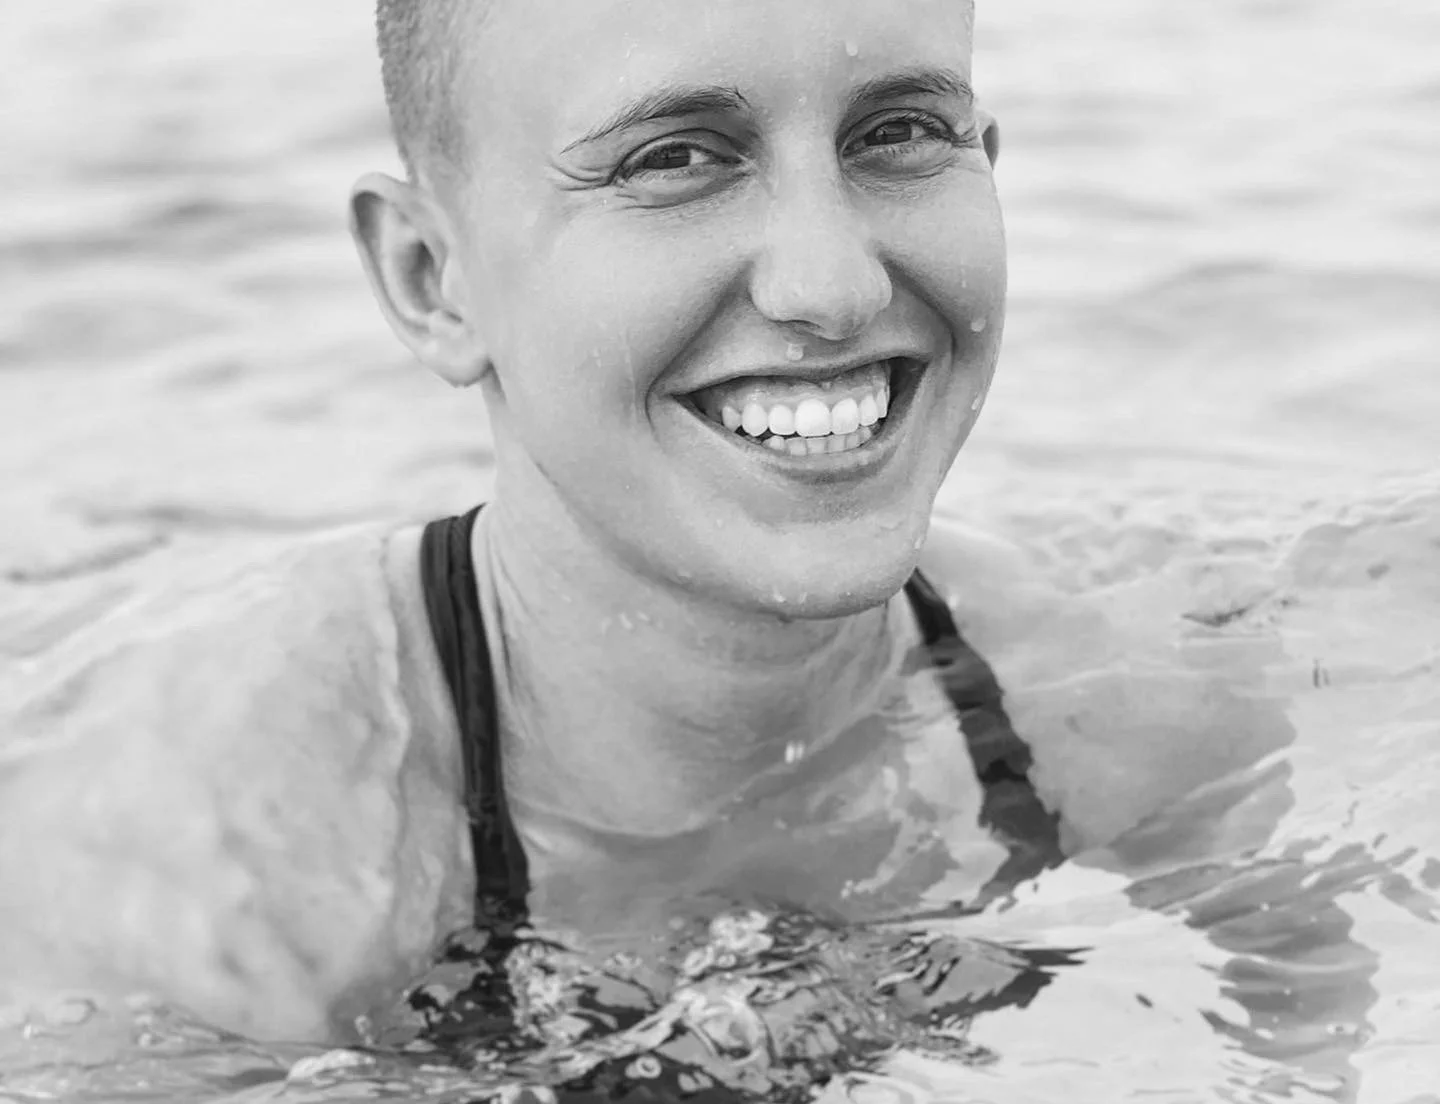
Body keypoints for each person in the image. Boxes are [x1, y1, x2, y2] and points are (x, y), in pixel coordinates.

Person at [0, 0, 1282, 1046]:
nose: (832, 284)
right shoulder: (219, 882)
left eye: (898, 131)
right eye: (674, 159)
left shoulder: (1130, 721)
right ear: (430, 279)